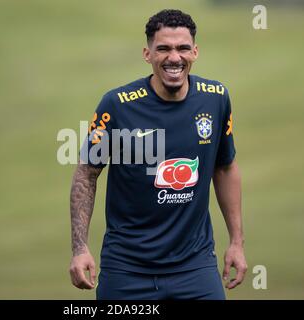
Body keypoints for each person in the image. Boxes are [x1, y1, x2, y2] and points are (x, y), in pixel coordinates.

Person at [69, 9, 247, 300]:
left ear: (195, 52)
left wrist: (237, 242)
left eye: (182, 48)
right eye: (163, 48)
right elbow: (86, 174)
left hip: (195, 267)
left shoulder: (216, 98)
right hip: (127, 270)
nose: (174, 58)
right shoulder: (118, 105)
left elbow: (225, 167)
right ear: (147, 54)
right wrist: (80, 248)